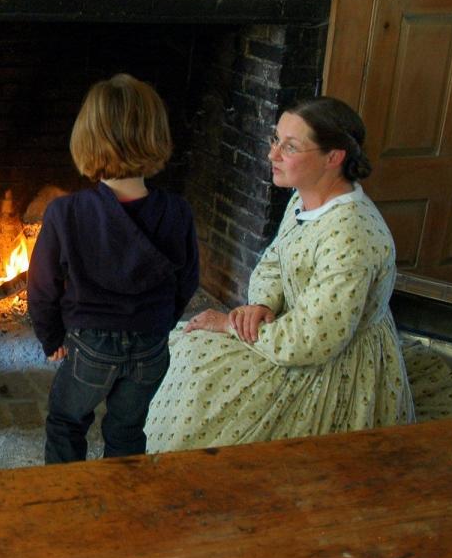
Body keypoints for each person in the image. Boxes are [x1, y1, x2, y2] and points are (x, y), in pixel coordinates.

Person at [145, 96, 415, 452]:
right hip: (288, 331)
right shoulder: (304, 198)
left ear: (333, 157)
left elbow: (313, 340)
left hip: (329, 364)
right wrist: (261, 303)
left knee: (203, 390)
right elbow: (273, 261)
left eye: (289, 147)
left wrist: (230, 324)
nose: (272, 155)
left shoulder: (352, 235)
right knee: (188, 346)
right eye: (275, 140)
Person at [28, 73, 200, 463]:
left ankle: (69, 504)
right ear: (156, 135)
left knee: (67, 422)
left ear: (86, 139)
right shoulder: (178, 211)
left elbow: (41, 288)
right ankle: (123, 507)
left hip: (91, 348)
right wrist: (158, 321)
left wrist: (50, 337)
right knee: (127, 430)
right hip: (152, 349)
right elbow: (187, 280)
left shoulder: (65, 212)